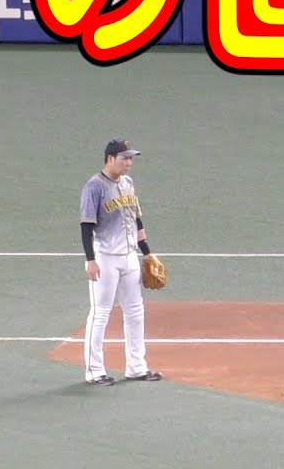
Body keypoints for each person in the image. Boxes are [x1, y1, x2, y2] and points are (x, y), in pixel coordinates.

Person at [80, 138, 163, 386]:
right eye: (125, 158)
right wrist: (90, 260)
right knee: (100, 314)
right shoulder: (94, 187)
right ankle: (94, 371)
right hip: (105, 258)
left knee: (135, 312)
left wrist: (147, 253)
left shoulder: (128, 183)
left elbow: (136, 219)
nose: (129, 163)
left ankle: (136, 367)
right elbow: (86, 226)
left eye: (131, 158)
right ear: (110, 158)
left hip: (130, 257)